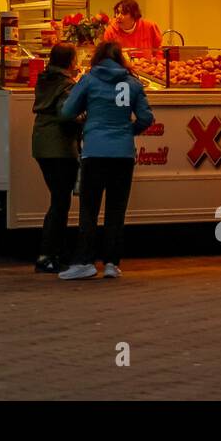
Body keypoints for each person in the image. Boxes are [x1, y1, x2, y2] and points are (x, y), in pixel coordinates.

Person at [57, 41, 154, 280]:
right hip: (123, 154)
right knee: (116, 210)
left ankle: (85, 261)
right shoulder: (132, 83)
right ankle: (112, 263)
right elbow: (146, 117)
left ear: (97, 57)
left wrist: (86, 120)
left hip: (95, 152)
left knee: (89, 209)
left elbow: (67, 111)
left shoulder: (89, 80)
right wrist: (129, 130)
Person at [30, 43, 82, 273]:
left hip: (42, 144)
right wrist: (84, 117)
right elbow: (66, 114)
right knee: (60, 202)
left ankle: (51, 252)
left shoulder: (44, 80)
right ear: (71, 62)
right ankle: (48, 254)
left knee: (57, 200)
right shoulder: (66, 86)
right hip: (59, 147)